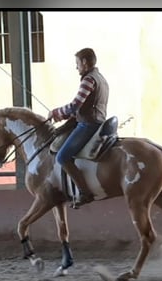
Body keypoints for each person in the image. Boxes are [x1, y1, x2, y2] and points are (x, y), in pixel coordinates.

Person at [48, 48, 109, 208]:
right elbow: (82, 107)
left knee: (62, 157)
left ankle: (84, 192)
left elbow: (75, 105)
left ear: (84, 62)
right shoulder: (100, 78)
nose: (76, 67)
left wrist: (56, 112)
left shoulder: (88, 80)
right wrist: (65, 116)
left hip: (88, 124)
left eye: (77, 63)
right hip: (95, 120)